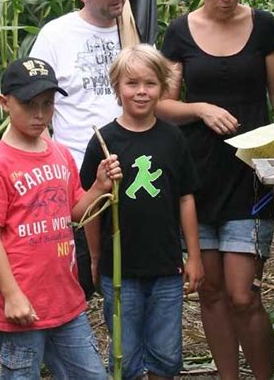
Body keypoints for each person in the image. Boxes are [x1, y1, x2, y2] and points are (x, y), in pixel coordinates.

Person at [157, 0, 274, 380]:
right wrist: (200, 109)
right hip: (195, 177)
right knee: (212, 292)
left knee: (244, 295)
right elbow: (162, 104)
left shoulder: (263, 28)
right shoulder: (180, 33)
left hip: (249, 175)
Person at [0, 57, 122, 379]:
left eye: (48, 104)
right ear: (4, 102)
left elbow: (74, 212)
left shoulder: (60, 153)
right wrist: (12, 295)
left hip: (66, 301)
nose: (40, 114)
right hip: (24, 306)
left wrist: (98, 186)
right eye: (29, 104)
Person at [80, 45, 205, 380]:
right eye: (131, 84)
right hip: (119, 270)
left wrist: (193, 255)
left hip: (166, 265)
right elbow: (92, 206)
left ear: (162, 87)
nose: (141, 92)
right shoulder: (103, 142)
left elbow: (185, 198)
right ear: (117, 88)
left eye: (150, 84)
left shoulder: (172, 138)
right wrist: (94, 258)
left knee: (165, 352)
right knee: (125, 351)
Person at [30, 0, 133, 299]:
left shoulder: (132, 29)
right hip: (78, 178)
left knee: (128, 276)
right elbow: (34, 107)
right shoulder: (56, 36)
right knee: (83, 278)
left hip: (133, 170)